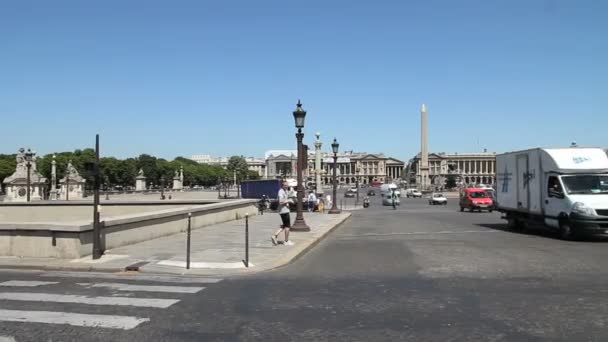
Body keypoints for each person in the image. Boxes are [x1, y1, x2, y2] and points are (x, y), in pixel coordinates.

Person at [271, 182, 294, 246]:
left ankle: (274, 235)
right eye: (285, 185)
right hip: (284, 211)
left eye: (287, 185)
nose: (286, 186)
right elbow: (281, 201)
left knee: (284, 225)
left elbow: (287, 197)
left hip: (285, 210)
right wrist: (289, 201)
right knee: (287, 226)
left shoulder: (285, 191)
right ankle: (286, 241)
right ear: (282, 186)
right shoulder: (280, 192)